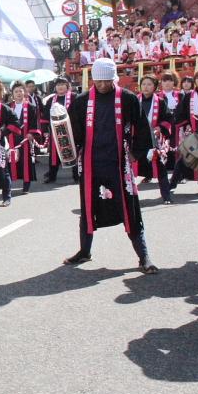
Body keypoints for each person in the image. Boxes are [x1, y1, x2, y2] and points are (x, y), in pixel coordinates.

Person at [64, 58, 158, 273]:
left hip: (118, 163)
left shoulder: (127, 98)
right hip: (90, 163)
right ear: (93, 79)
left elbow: (142, 127)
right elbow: (72, 132)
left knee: (130, 209)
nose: (103, 85)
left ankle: (144, 256)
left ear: (113, 78)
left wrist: (138, 153)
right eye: (98, 81)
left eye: (107, 81)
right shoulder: (81, 101)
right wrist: (68, 150)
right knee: (87, 209)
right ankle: (84, 251)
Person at [134, 75, 173, 204]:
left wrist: (160, 128)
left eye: (149, 84)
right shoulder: (134, 100)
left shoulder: (160, 102)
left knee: (161, 168)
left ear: (155, 87)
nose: (146, 87)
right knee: (129, 169)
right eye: (144, 84)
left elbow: (168, 119)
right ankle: (130, 198)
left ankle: (166, 196)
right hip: (137, 141)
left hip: (154, 140)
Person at [42, 77, 79, 184]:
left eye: (63, 84)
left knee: (74, 153)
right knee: (54, 155)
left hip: (71, 131)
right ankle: (52, 176)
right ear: (55, 87)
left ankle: (76, 176)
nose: (60, 87)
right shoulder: (51, 100)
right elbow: (45, 116)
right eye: (58, 85)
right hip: (56, 132)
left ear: (67, 86)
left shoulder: (74, 97)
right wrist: (45, 130)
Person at [8, 81, 41, 194]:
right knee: (11, 161)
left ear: (24, 92)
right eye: (16, 91)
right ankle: (8, 186)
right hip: (11, 138)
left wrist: (31, 133)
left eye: (20, 91)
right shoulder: (8, 107)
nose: (18, 93)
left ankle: (26, 185)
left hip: (25, 137)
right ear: (12, 93)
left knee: (25, 161)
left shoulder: (31, 107)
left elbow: (34, 122)